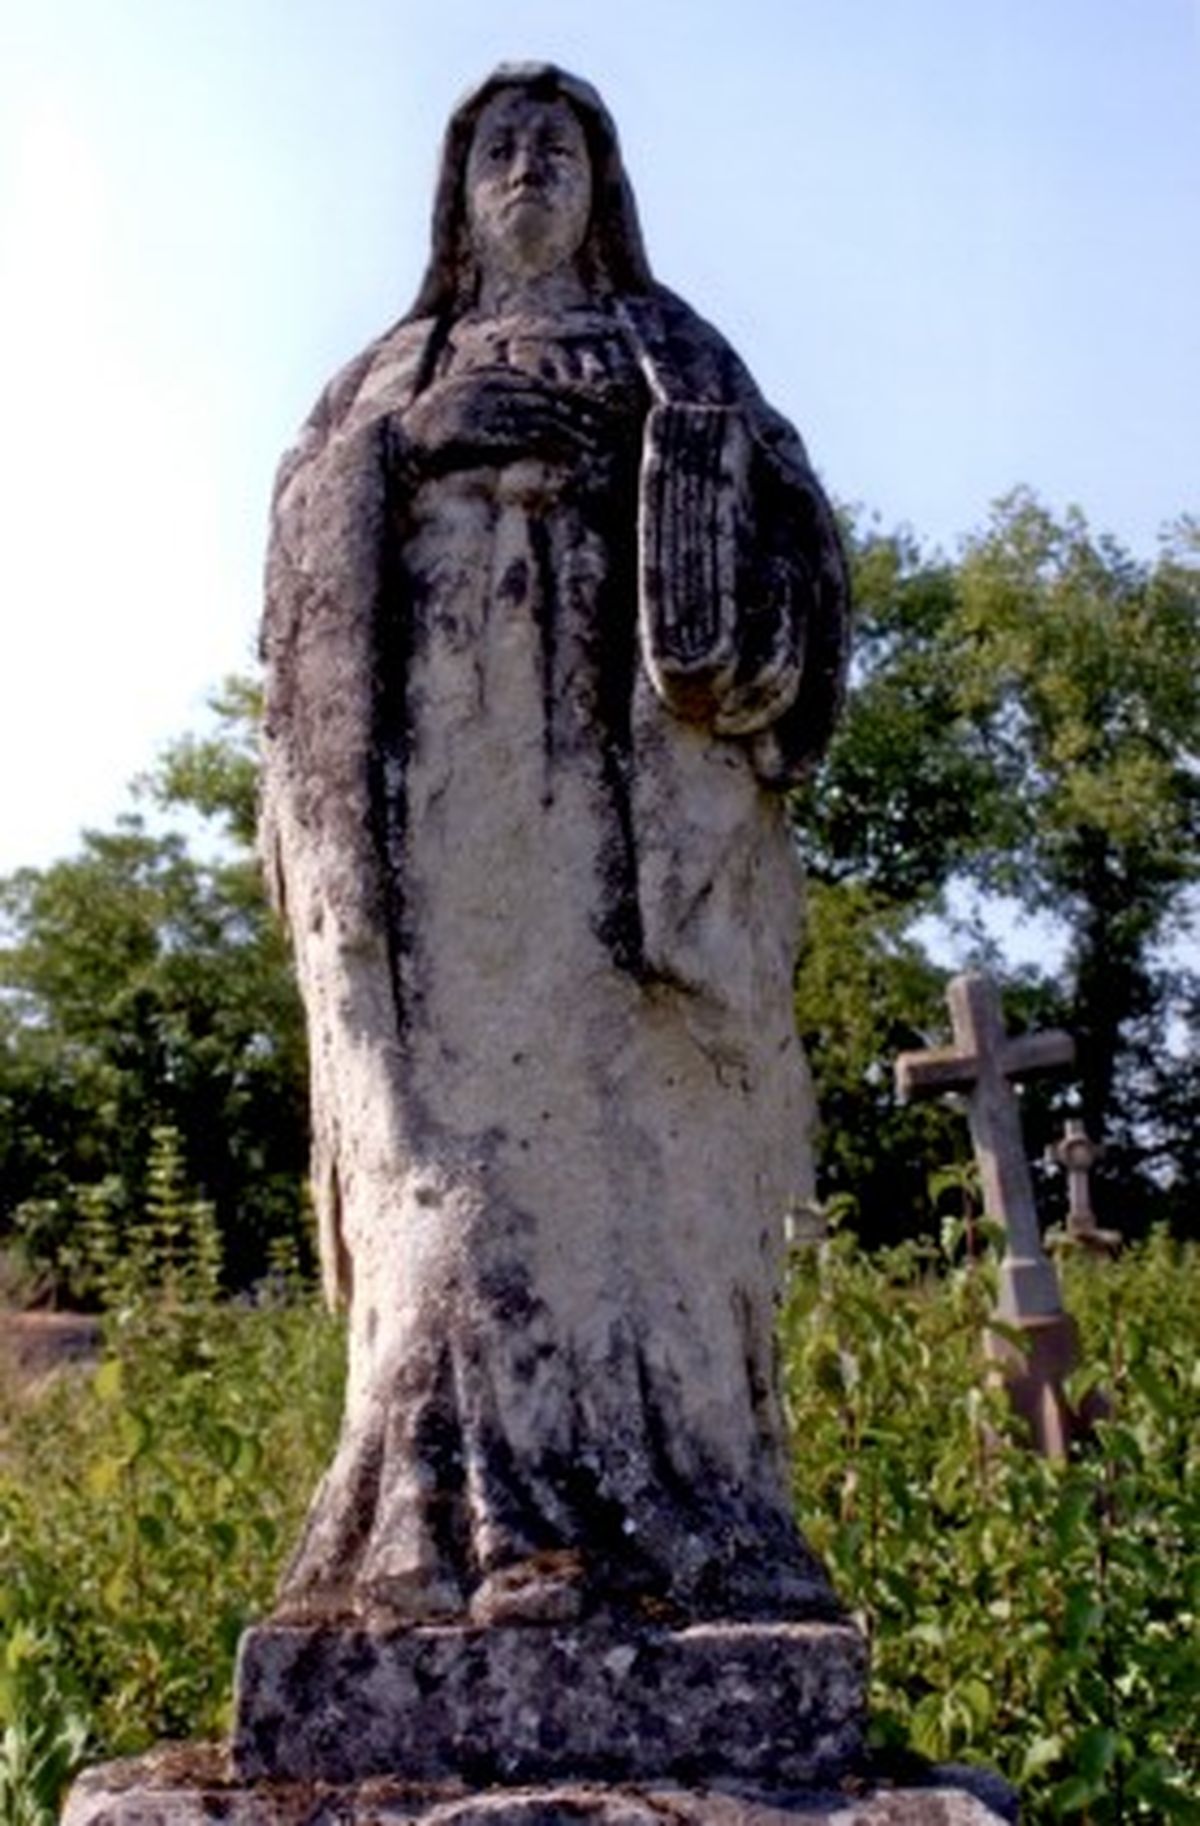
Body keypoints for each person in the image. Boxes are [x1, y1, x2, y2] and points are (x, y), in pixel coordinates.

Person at [261, 63, 849, 1627]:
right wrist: (409, 448)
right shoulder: (389, 373)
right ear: (456, 195)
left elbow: (798, 549)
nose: (529, 167)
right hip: (445, 834)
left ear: (606, 185)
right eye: (500, 147)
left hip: (636, 842)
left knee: (642, 1172)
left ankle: (685, 1511)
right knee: (454, 1175)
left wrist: (714, 596)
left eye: (559, 145)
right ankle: (444, 1526)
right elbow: (296, 586)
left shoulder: (674, 349)